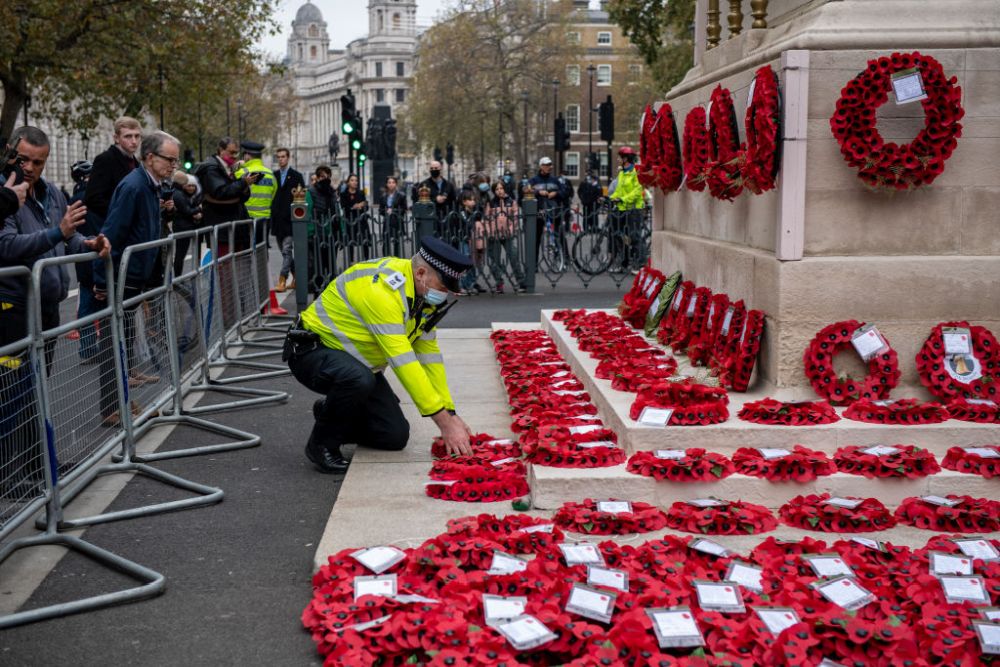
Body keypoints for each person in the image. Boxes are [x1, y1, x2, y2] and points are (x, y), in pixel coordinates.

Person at [285, 236, 475, 474]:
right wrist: (444, 424)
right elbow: (403, 361)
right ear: (421, 273)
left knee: (394, 436)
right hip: (311, 352)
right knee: (358, 380)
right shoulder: (382, 291)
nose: (444, 294)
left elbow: (429, 356)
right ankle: (321, 445)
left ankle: (332, 411)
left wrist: (450, 412)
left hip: (357, 365)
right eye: (443, 287)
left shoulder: (423, 297)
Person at [94, 131, 181, 426]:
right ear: (150, 157)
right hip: (121, 277)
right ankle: (111, 407)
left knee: (126, 341)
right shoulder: (134, 187)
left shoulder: (152, 186)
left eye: (176, 161)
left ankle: (123, 401)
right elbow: (112, 232)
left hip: (135, 278)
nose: (173, 166)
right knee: (113, 344)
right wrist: (102, 281)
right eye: (169, 160)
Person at [79, 117, 142, 361]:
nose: (133, 141)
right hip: (108, 235)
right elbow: (93, 197)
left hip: (126, 239)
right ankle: (113, 363)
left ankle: (129, 365)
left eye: (137, 136)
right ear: (116, 137)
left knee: (125, 305)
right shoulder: (105, 160)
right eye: (128, 136)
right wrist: (123, 214)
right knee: (102, 300)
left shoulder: (135, 162)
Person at [194, 136, 255, 252]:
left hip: (232, 229)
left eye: (237, 153)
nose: (235, 156)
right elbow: (221, 192)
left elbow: (239, 196)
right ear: (221, 150)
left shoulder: (227, 168)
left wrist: (245, 185)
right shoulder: (211, 169)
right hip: (222, 230)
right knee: (225, 266)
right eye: (232, 152)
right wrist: (243, 183)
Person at [269, 147, 305, 291]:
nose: (281, 159)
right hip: (277, 221)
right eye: (278, 157)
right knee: (284, 252)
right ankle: (296, 277)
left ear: (288, 158)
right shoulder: (274, 176)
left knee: (286, 251)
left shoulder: (296, 176)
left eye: (283, 156)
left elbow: (301, 196)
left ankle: (282, 280)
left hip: (290, 220)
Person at [233, 140, 277, 251]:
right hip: (264, 221)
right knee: (261, 253)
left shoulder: (241, 173)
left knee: (245, 254)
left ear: (247, 156)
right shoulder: (270, 174)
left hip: (245, 220)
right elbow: (273, 195)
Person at [608, 146, 645, 271]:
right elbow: (618, 190)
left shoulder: (636, 172)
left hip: (634, 209)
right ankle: (624, 263)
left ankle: (640, 264)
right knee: (618, 235)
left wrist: (623, 199)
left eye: (620, 157)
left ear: (626, 158)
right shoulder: (622, 173)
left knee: (634, 236)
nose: (618, 159)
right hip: (622, 209)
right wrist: (610, 198)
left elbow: (637, 191)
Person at [485, 179, 523, 293]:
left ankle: (520, 281)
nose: (499, 191)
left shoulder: (511, 201)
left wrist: (510, 231)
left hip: (508, 235)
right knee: (494, 260)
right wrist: (490, 232)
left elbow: (515, 218)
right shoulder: (490, 203)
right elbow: (487, 220)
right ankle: (499, 282)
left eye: (501, 188)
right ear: (494, 191)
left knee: (514, 256)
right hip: (494, 235)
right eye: (497, 189)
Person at [528, 156, 567, 262]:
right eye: (546, 165)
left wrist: (556, 193)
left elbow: (565, 192)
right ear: (541, 166)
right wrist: (538, 192)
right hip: (540, 211)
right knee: (537, 236)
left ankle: (565, 258)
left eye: (550, 165)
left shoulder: (555, 180)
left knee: (560, 234)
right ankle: (534, 263)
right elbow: (525, 190)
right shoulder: (533, 180)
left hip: (553, 210)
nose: (549, 167)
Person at [171, 172, 203, 276]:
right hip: (182, 227)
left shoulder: (179, 193)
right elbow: (187, 210)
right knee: (180, 254)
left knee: (181, 254)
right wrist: (199, 209)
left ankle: (178, 277)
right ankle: (177, 277)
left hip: (184, 226)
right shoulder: (178, 194)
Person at [338, 173, 371, 260]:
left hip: (361, 220)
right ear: (348, 182)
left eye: (356, 180)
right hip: (350, 220)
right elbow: (344, 207)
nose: (354, 182)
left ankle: (366, 259)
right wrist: (354, 207)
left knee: (364, 241)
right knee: (351, 241)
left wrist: (362, 206)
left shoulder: (360, 193)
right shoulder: (343, 194)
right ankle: (351, 260)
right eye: (352, 180)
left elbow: (366, 206)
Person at [377, 175, 407, 257]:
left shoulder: (401, 195)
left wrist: (394, 211)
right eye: (389, 182)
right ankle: (386, 258)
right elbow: (380, 210)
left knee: (396, 242)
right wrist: (385, 211)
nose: (391, 184)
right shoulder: (383, 196)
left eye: (393, 182)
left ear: (396, 184)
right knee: (385, 242)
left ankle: (396, 259)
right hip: (387, 222)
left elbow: (404, 209)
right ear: (386, 184)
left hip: (397, 221)